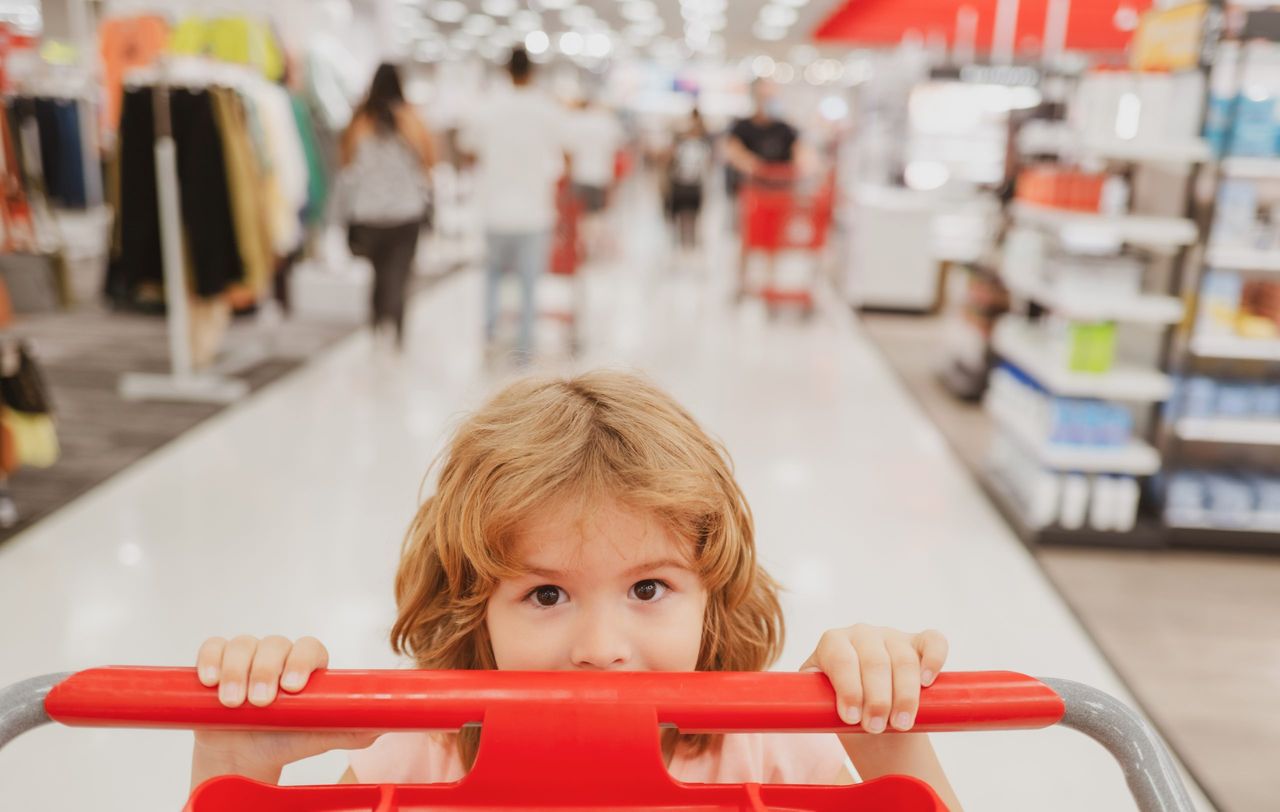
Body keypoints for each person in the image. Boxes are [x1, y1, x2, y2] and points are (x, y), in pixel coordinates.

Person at [187, 370, 962, 810]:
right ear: (474, 612)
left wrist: (890, 744)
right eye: (548, 596)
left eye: (649, 588)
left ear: (713, 595)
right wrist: (236, 762)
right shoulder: (416, 757)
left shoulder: (774, 754)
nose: (600, 651)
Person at [459, 48, 571, 365]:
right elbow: (566, 151)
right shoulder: (546, 109)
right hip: (535, 212)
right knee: (529, 283)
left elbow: (467, 151)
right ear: (532, 72)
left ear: (506, 71)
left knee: (492, 277)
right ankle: (524, 346)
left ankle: (491, 336)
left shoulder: (489, 107)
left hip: (495, 209)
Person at [340, 63, 437, 349]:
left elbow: (345, 164)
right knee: (400, 273)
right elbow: (430, 162)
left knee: (377, 272)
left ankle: (376, 324)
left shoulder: (359, 120)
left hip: (368, 213)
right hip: (405, 213)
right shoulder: (412, 119)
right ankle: (396, 330)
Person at [567, 96, 624, 261]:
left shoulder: (575, 122)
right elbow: (616, 149)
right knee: (596, 213)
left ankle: (582, 246)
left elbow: (567, 150)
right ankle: (592, 246)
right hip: (600, 176)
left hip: (579, 175)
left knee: (580, 214)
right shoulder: (605, 123)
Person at [666, 108, 711, 251]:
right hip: (680, 183)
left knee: (693, 215)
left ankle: (691, 242)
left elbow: (707, 166)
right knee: (679, 214)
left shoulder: (704, 145)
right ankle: (680, 243)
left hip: (695, 184)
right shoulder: (680, 143)